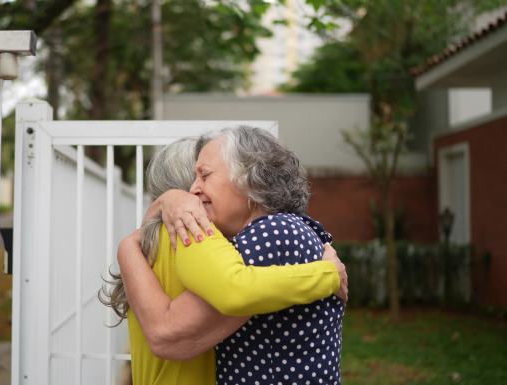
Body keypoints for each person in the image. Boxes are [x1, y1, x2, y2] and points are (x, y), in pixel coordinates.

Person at [103, 133, 347, 385]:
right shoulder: (189, 233)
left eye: (205, 175)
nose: (195, 190)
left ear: (246, 179)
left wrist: (129, 244)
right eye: (194, 180)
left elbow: (230, 289)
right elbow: (232, 288)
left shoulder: (271, 232)